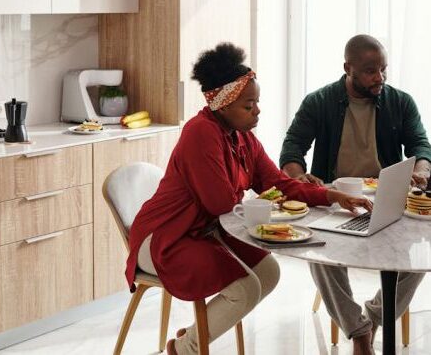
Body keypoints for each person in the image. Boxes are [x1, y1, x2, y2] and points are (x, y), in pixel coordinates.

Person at [125, 43, 372, 355]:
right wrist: (268, 200)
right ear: (223, 104)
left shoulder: (244, 138)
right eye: (249, 104)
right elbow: (221, 205)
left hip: (202, 233)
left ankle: (194, 334)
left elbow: (278, 183)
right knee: (245, 287)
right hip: (164, 237)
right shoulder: (199, 133)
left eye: (257, 102)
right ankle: (184, 349)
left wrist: (329, 195)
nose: (257, 110)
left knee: (269, 272)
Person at [280, 34, 431, 355]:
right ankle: (359, 332)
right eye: (370, 71)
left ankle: (374, 317)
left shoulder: (400, 102)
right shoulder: (318, 102)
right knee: (316, 250)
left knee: (418, 260)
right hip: (336, 198)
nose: (380, 78)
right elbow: (292, 147)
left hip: (386, 200)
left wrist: (422, 169)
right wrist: (298, 177)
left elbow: (421, 144)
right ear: (348, 68)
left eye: (383, 70)